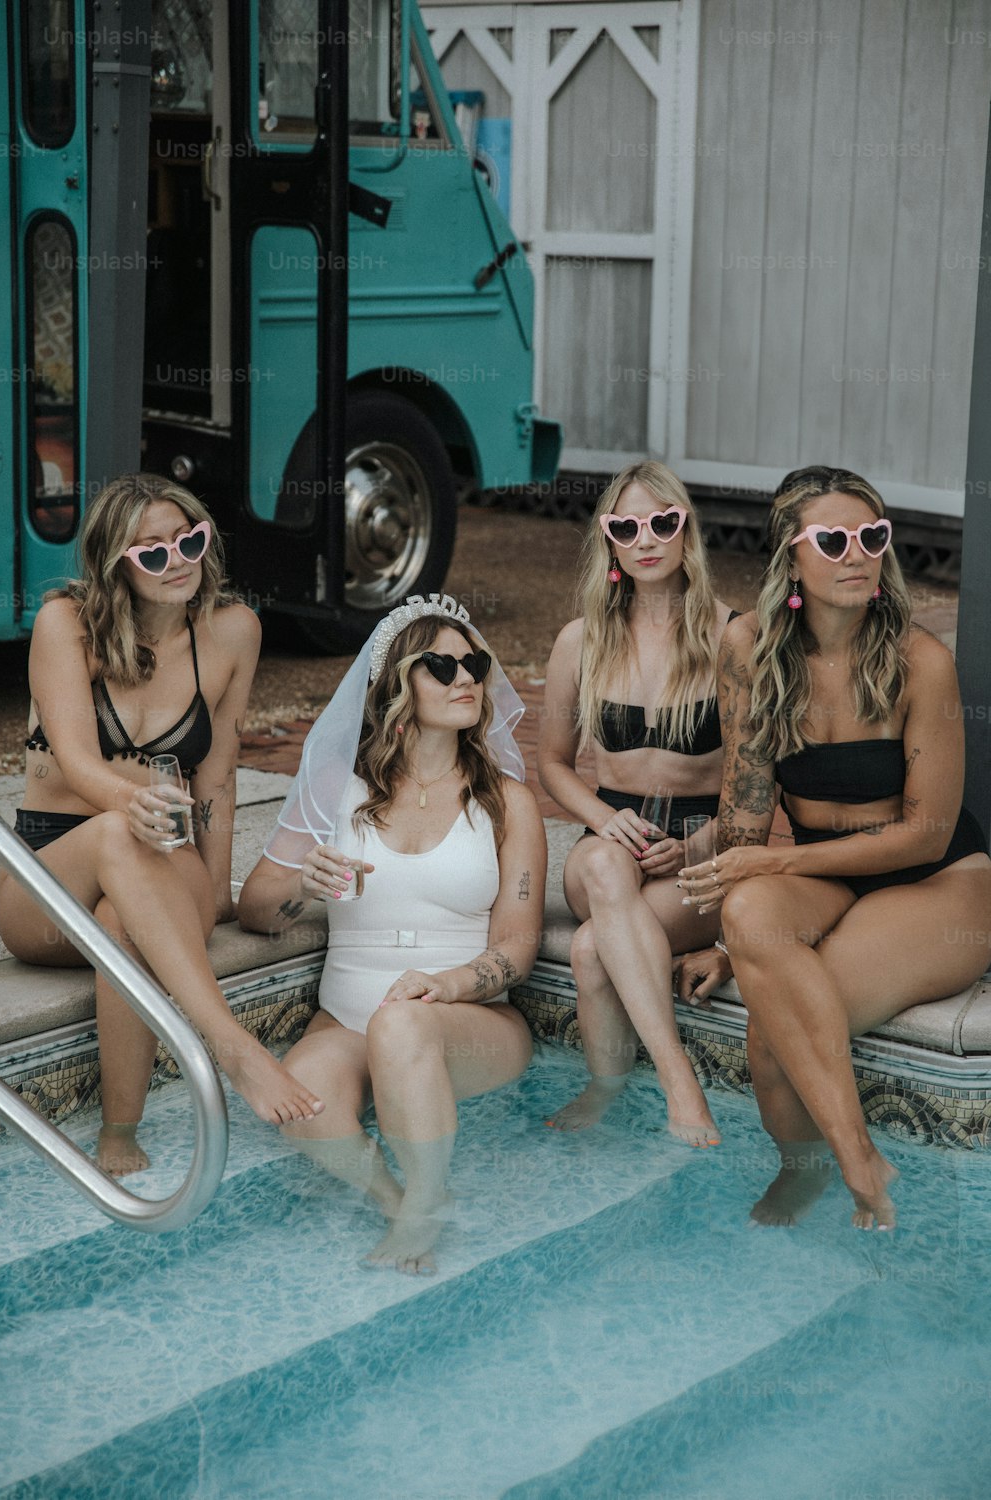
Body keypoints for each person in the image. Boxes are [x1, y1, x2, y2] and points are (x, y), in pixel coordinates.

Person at [679, 465, 991, 1231]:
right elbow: (746, 814)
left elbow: (924, 830)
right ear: (791, 555)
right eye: (834, 539)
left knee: (774, 1032)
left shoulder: (922, 661)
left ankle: (845, 1163)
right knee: (751, 912)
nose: (858, 554)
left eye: (873, 537)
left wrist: (776, 864)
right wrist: (735, 945)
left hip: (939, 881)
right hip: (830, 872)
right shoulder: (748, 648)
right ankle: (826, 1164)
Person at [0, 473, 323, 1177]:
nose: (177, 560)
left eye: (190, 541)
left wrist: (210, 885)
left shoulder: (233, 631)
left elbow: (217, 779)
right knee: (118, 835)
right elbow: (80, 762)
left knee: (126, 922)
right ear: (116, 564)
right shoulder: (66, 624)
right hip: (48, 883)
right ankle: (233, 1049)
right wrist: (127, 799)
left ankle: (120, 1129)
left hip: (161, 868)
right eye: (151, 553)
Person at [239, 594, 546, 1276]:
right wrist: (303, 889)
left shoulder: (506, 801)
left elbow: (518, 948)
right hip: (347, 1023)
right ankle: (395, 1198)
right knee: (300, 1098)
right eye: (442, 664)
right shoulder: (335, 789)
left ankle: (429, 1201)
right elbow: (256, 908)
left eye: (476, 663)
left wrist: (446, 985)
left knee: (402, 1025)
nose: (467, 677)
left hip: (465, 1021)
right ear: (397, 683)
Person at [536, 461, 738, 1146]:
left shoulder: (731, 636)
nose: (645, 538)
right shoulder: (581, 640)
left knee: (594, 948)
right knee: (600, 871)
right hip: (609, 838)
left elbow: (755, 788)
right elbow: (554, 765)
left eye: (662, 522)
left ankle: (607, 1087)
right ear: (609, 540)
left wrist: (700, 844)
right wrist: (602, 819)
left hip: (698, 847)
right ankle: (682, 1082)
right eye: (627, 525)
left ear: (687, 529)